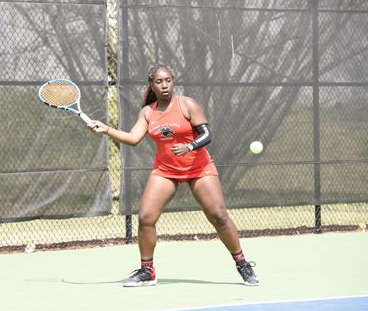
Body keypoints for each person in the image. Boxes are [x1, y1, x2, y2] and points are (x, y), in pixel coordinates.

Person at [87, 64, 259, 287]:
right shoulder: (148, 112)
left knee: (218, 215)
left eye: (168, 80)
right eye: (159, 82)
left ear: (173, 80)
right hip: (165, 170)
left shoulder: (187, 104)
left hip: (198, 167)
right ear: (152, 85)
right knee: (146, 218)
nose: (164, 85)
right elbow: (133, 138)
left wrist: (189, 147)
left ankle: (243, 264)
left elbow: (206, 134)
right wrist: (106, 129)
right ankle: (147, 271)